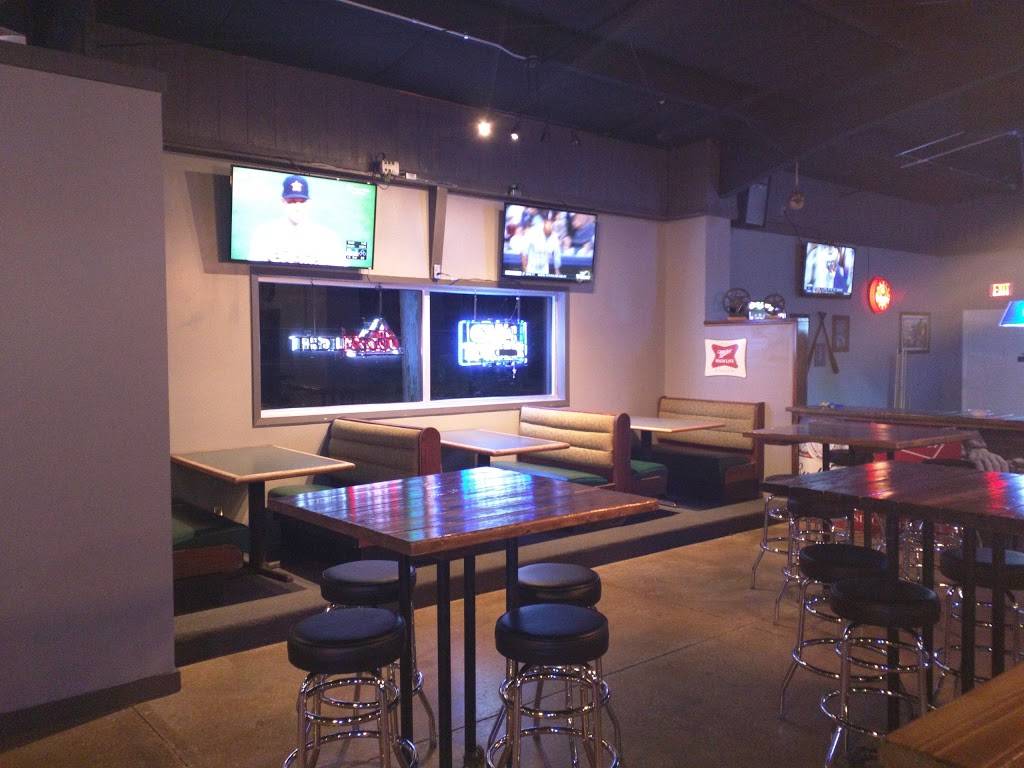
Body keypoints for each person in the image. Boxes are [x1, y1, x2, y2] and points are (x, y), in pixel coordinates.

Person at [248, 174, 344, 265]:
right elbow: (255, 269)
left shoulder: (327, 237)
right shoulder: (265, 234)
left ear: (309, 203)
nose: (298, 207)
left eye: (302, 202)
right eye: (292, 201)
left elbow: (340, 272)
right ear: (283, 202)